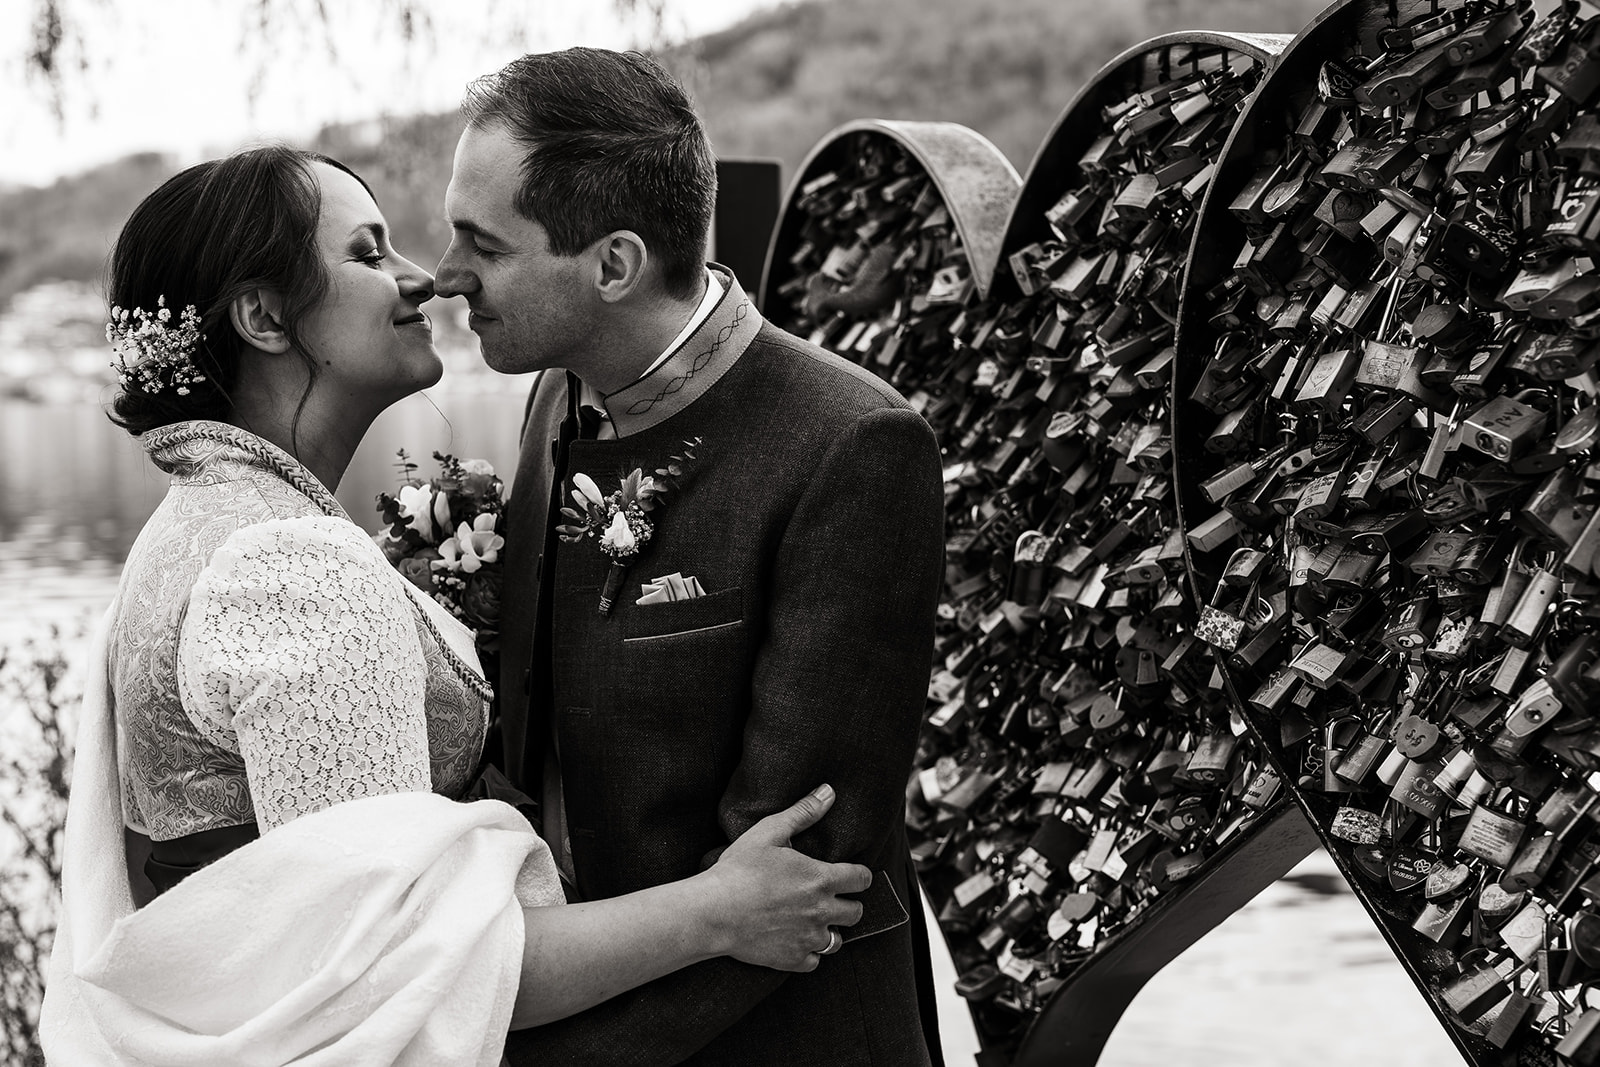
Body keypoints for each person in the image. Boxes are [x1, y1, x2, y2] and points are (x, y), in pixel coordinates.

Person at [39, 145, 874, 1066]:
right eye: (366, 254)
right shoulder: (292, 568)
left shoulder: (190, 525)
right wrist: (713, 912)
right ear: (264, 315)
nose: (421, 280)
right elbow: (399, 971)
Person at [437, 48, 947, 1065]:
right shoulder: (555, 395)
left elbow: (798, 874)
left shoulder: (851, 444)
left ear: (613, 266)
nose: (448, 275)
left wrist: (532, 1046)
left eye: (480, 244)